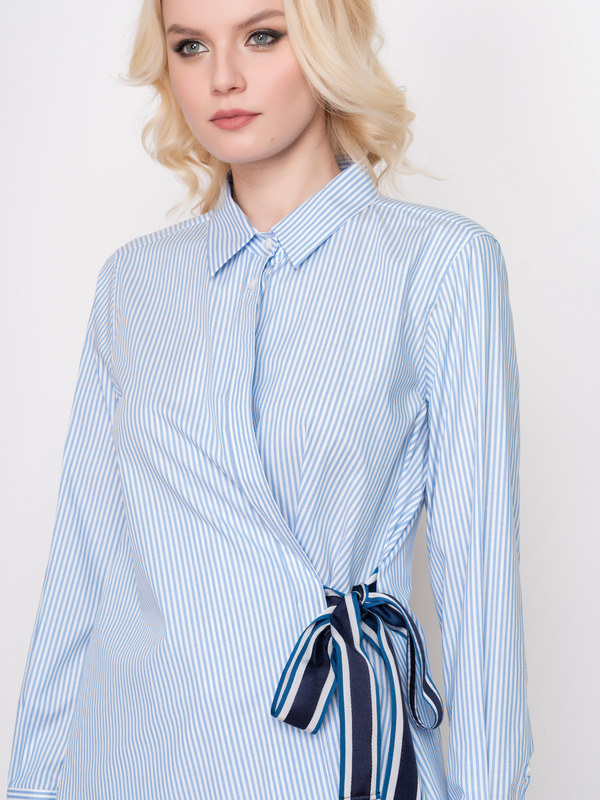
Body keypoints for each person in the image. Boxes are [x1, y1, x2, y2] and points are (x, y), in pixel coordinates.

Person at [6, 0, 533, 798]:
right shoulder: (133, 283)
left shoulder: (440, 264)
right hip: (128, 763)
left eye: (262, 36)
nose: (223, 77)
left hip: (327, 757)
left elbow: (480, 584)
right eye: (190, 46)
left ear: (326, 45)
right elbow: (83, 570)